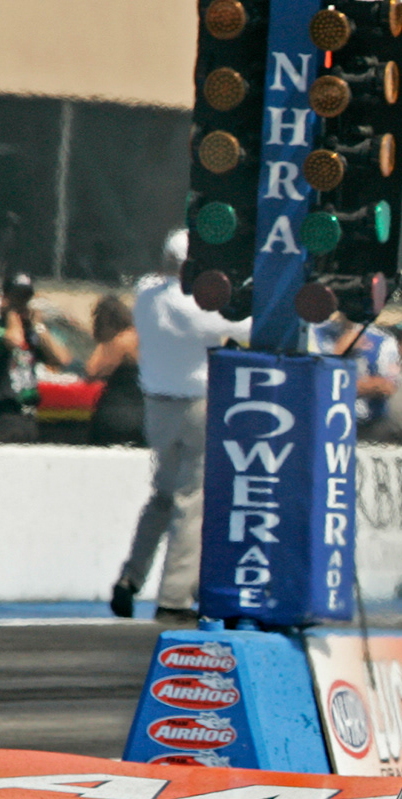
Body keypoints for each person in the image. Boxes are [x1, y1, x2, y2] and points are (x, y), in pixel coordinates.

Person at [112, 231, 250, 620]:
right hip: (196, 405)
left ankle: (130, 578)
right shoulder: (195, 307)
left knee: (161, 495)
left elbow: (153, 280)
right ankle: (174, 596)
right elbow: (245, 327)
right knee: (191, 501)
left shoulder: (146, 295)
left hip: (156, 405)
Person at [0, 272, 71, 444]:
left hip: (29, 415)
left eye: (24, 299)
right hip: (4, 414)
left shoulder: (32, 334)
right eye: (16, 298)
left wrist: (39, 327)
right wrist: (11, 312)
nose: (21, 304)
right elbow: (14, 340)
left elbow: (62, 359)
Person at [84, 293, 144, 447]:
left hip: (119, 414)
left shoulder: (120, 341)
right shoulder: (141, 336)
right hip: (143, 411)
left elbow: (93, 371)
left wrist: (104, 343)